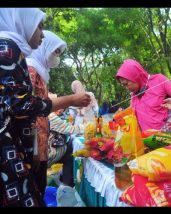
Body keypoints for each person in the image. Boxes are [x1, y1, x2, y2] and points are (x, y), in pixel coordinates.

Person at [0, 8, 90, 207]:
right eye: (39, 25)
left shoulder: (22, 57)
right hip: (21, 144)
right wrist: (70, 100)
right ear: (22, 22)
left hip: (28, 142)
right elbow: (22, 105)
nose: (42, 33)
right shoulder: (11, 50)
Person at [26, 30, 67, 196]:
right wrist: (34, 150)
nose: (57, 57)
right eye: (56, 51)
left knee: (39, 189)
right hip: (33, 146)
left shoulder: (41, 72)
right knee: (33, 191)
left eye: (60, 53)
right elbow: (28, 111)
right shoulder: (31, 69)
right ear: (45, 47)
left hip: (40, 145)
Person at [115, 59, 171, 132]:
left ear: (135, 76)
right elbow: (133, 114)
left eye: (126, 84)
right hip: (148, 141)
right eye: (123, 85)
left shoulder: (159, 80)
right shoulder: (134, 95)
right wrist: (121, 115)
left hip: (170, 136)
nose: (126, 88)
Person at [47, 93, 84, 188]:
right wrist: (89, 126)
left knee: (70, 144)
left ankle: (67, 183)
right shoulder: (50, 117)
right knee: (70, 148)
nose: (61, 108)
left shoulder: (46, 114)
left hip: (41, 153)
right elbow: (71, 130)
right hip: (47, 155)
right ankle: (68, 184)